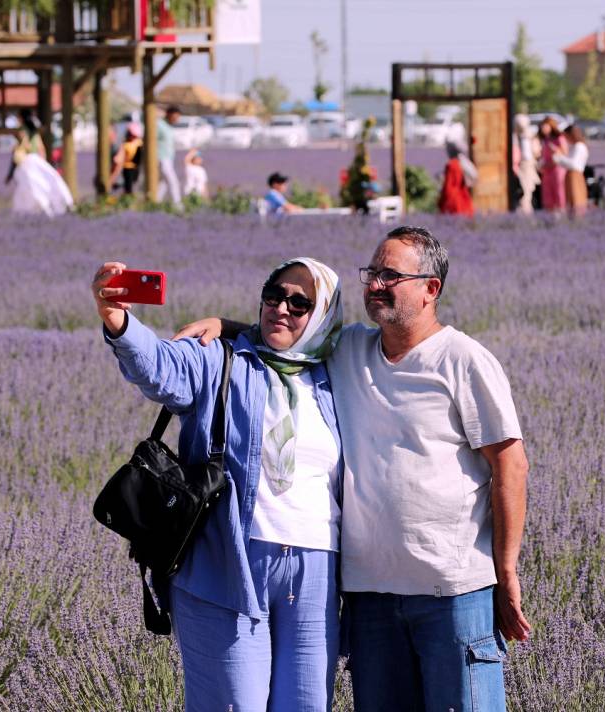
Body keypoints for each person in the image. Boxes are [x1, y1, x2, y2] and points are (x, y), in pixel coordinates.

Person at [177, 225, 532, 712]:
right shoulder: (347, 350)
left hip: (451, 592)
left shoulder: (464, 360)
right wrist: (226, 324)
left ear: (431, 289)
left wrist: (505, 568)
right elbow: (291, 332)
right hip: (370, 597)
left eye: (391, 275)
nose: (375, 285)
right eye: (371, 273)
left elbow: (510, 463)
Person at [91, 256, 345, 711]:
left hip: (315, 577)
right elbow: (161, 367)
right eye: (273, 294)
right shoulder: (223, 359)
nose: (281, 308)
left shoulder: (336, 373)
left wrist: (231, 321)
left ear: (322, 315)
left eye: (300, 302)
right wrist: (119, 320)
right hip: (227, 562)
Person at [7, 112, 73, 217]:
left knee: (30, 186)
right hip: (35, 159)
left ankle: (37, 209)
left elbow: (26, 146)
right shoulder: (35, 133)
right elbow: (41, 149)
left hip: (27, 161)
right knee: (40, 183)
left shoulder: (23, 131)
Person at [554, 125, 589, 217]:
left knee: (576, 199)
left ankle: (577, 219)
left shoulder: (579, 146)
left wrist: (559, 158)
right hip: (571, 175)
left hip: (575, 175)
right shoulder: (575, 146)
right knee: (571, 200)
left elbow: (574, 164)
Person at [511, 114, 541, 215]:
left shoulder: (529, 136)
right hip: (518, 168)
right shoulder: (514, 136)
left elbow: (534, 152)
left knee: (526, 194)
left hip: (527, 167)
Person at [438, 140, 475, 216]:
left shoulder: (451, 165)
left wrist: (441, 201)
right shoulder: (462, 163)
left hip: (453, 201)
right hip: (464, 199)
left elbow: (448, 186)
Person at [538, 117, 567, 212]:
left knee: (559, 192)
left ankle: (561, 212)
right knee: (547, 194)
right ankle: (549, 215)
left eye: (545, 126)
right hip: (546, 170)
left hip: (557, 169)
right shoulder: (545, 140)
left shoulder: (559, 138)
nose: (543, 129)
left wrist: (555, 149)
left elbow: (565, 152)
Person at [157, 106, 183, 208]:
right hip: (161, 158)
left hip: (168, 158)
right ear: (169, 114)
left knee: (162, 184)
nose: (177, 119)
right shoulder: (159, 125)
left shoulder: (169, 126)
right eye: (175, 117)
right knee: (173, 181)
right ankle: (177, 205)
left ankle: (155, 203)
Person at [109, 122, 143, 195]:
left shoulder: (138, 143)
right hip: (127, 167)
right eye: (131, 135)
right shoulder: (125, 144)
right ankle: (127, 195)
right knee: (128, 184)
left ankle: (128, 195)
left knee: (134, 183)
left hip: (135, 167)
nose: (133, 137)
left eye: (134, 136)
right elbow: (120, 157)